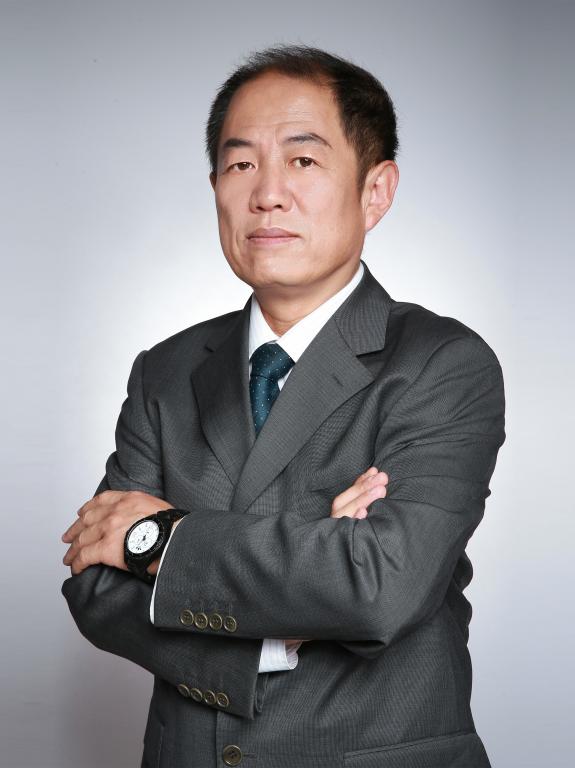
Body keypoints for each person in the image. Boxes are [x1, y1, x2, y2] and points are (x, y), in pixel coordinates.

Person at [61, 44, 506, 768]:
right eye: (240, 164)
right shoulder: (165, 371)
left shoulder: (442, 363)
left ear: (376, 190)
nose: (267, 193)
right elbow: (94, 588)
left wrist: (155, 538)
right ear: (215, 186)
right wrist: (284, 616)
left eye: (302, 160)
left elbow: (377, 586)